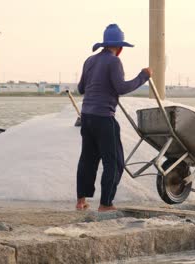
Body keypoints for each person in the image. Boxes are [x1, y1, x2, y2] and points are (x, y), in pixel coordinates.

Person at [76, 24, 152, 212]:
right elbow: (121, 88)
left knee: (88, 159)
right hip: (104, 117)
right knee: (115, 161)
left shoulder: (90, 60)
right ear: (119, 47)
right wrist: (143, 77)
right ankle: (106, 204)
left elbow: (81, 89)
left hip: (86, 116)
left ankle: (81, 201)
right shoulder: (114, 62)